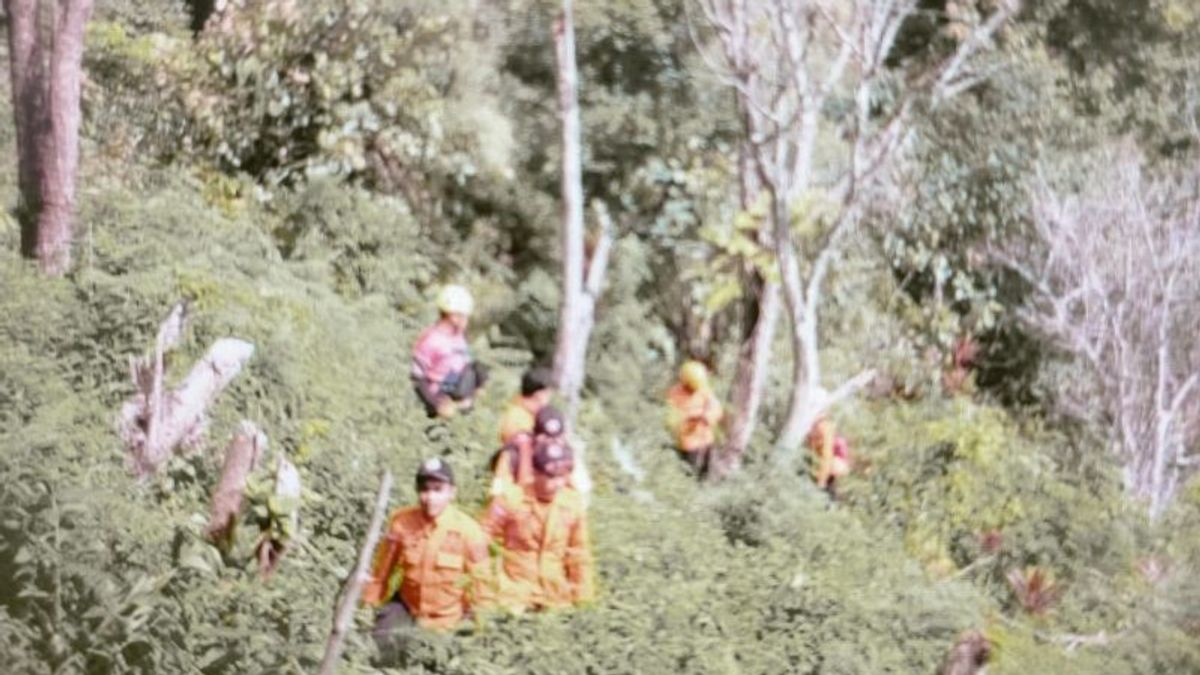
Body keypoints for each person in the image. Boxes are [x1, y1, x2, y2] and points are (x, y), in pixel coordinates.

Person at [363, 458, 492, 636]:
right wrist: (367, 608)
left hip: (449, 618)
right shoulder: (401, 522)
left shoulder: (468, 531)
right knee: (382, 641)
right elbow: (381, 572)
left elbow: (482, 583)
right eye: (425, 490)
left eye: (438, 490)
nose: (430, 498)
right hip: (409, 608)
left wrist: (482, 627)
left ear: (452, 493)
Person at [482, 438, 595, 612]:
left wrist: (583, 599)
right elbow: (482, 541)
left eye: (562, 476)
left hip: (555, 596)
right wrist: (493, 585)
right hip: (514, 596)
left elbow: (579, 554)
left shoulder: (572, 504)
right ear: (534, 472)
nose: (557, 483)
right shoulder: (510, 499)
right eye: (551, 476)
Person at [411, 285, 488, 418]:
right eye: (464, 316)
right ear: (453, 316)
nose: (467, 320)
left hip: (456, 390)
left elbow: (465, 363)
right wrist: (436, 405)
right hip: (439, 396)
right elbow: (417, 379)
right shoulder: (431, 340)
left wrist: (479, 384)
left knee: (478, 367)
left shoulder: (458, 337)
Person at [665, 360, 724, 476]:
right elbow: (671, 418)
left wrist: (707, 416)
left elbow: (716, 408)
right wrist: (691, 418)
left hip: (705, 440)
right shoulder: (674, 393)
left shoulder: (704, 391)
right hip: (688, 443)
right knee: (689, 473)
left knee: (707, 473)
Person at [497, 367, 554, 444]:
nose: (549, 397)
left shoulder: (530, 413)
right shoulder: (517, 418)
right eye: (548, 393)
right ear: (539, 394)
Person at [807, 415, 851, 499]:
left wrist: (821, 484)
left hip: (832, 467)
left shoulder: (835, 440)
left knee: (833, 466)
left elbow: (831, 461)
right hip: (817, 463)